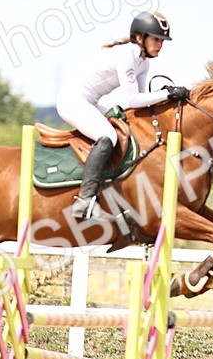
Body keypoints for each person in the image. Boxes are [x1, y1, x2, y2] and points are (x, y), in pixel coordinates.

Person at [56, 11, 190, 221]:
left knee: (123, 126)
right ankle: (85, 201)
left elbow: (142, 100)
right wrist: (167, 93)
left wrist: (167, 95)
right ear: (140, 37)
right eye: (156, 39)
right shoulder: (127, 56)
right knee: (108, 136)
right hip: (72, 101)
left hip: (90, 102)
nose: (160, 45)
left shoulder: (143, 62)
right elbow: (133, 100)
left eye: (162, 40)